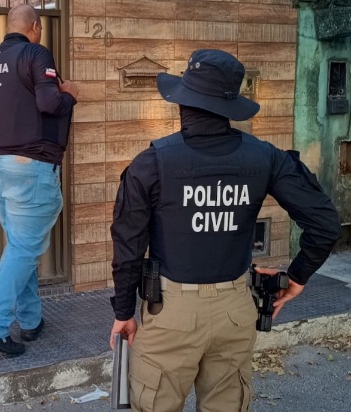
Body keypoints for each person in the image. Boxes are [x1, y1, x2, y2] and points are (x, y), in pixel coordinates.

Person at [109, 49, 341, 412]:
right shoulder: (265, 157)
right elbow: (326, 223)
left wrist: (123, 312)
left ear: (183, 101)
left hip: (170, 312)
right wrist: (297, 276)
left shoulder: (151, 163)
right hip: (236, 309)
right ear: (229, 107)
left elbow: (128, 246)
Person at [0, 4, 78, 356]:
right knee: (24, 248)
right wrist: (71, 93)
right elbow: (50, 103)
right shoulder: (35, 53)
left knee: (20, 246)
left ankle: (30, 321)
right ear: (36, 27)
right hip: (29, 167)